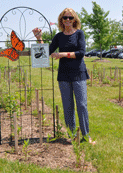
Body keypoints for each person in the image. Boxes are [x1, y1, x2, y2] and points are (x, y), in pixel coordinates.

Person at [32, 8, 95, 145]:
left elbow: (81, 52)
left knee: (82, 105)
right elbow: (47, 52)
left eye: (70, 18)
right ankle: (72, 135)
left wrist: (62, 54)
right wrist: (39, 39)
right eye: (65, 18)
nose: (67, 20)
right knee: (68, 106)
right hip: (64, 75)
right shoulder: (59, 37)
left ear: (74, 20)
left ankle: (86, 135)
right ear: (61, 20)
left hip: (78, 74)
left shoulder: (79, 34)